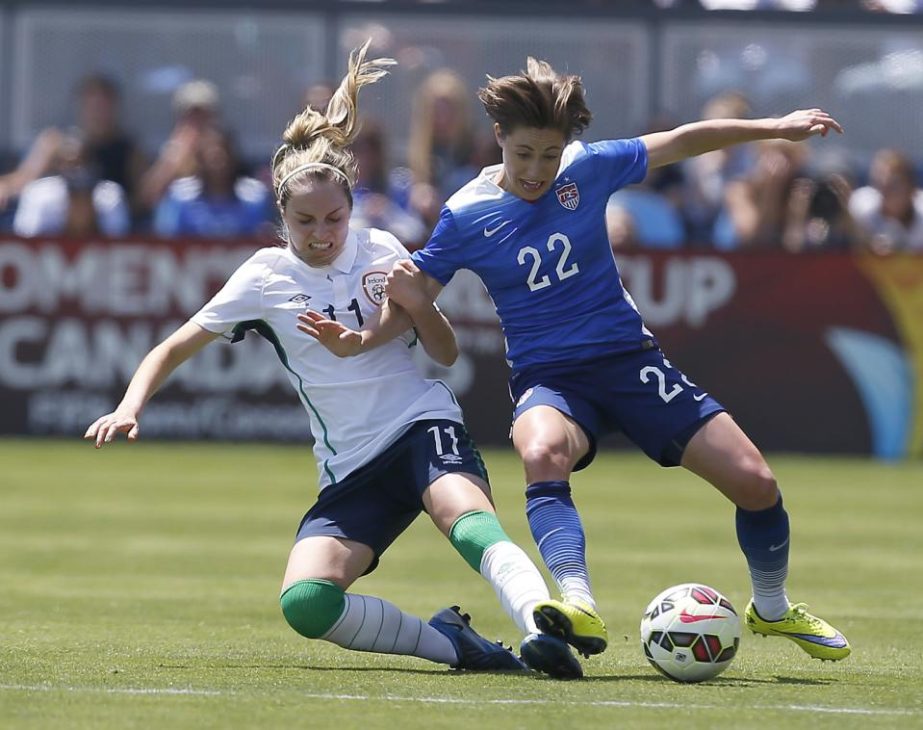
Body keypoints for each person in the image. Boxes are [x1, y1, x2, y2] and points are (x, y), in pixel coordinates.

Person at [84, 43, 581, 680]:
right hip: (350, 464)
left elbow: (446, 350)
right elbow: (173, 346)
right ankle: (456, 646)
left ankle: (542, 619)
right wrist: (130, 406)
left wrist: (416, 306)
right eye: (306, 221)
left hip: (419, 424)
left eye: (334, 218)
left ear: (352, 208)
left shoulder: (381, 247)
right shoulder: (263, 276)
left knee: (464, 516)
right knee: (307, 603)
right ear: (282, 218)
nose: (322, 234)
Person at [384, 57, 851, 663]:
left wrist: (775, 126)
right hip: (549, 377)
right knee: (540, 450)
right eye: (524, 154)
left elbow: (684, 139)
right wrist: (357, 335)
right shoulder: (466, 214)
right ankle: (577, 601)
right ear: (499, 139)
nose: (537, 170)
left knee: (758, 485)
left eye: (549, 155)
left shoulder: (588, 168)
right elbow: (415, 295)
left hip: (630, 362)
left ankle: (771, 607)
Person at [153, 126, 274, 238]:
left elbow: (262, 241)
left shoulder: (254, 198)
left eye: (223, 154)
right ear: (199, 160)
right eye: (211, 155)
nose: (218, 162)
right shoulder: (179, 198)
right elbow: (167, 239)